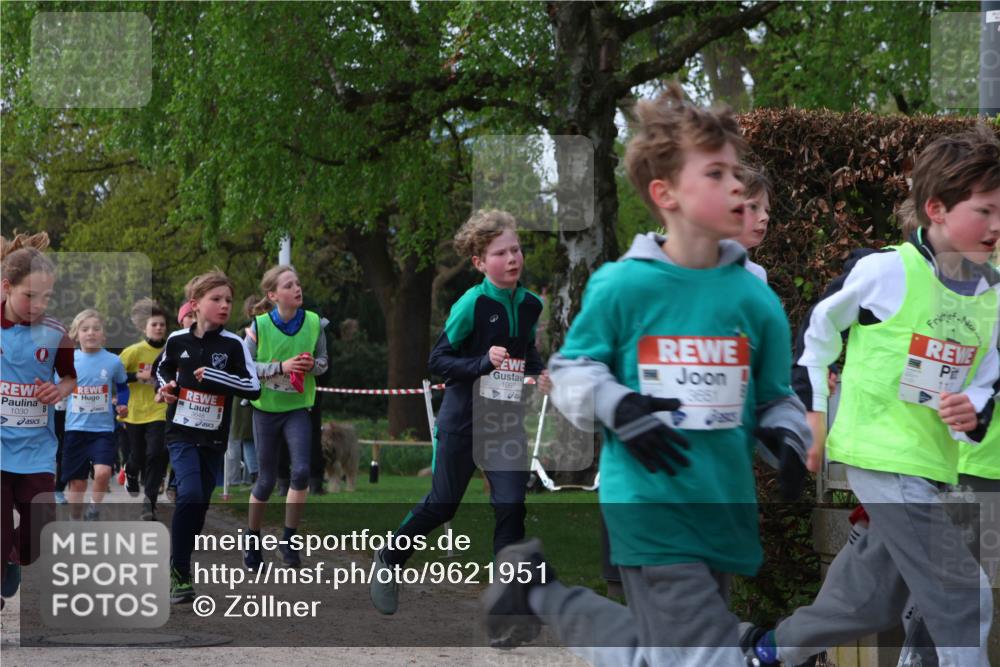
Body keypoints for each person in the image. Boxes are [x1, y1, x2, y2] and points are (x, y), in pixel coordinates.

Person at [480, 83, 811, 665]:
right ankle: (540, 592)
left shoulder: (756, 301)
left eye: (736, 172)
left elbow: (774, 397)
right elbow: (573, 370)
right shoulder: (624, 285)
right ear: (666, 194)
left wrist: (785, 436)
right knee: (704, 657)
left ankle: (539, 591)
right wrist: (619, 405)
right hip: (649, 505)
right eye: (715, 174)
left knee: (659, 656)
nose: (737, 186)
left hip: (722, 508)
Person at [745, 127, 1000, 667]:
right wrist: (810, 414)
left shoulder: (994, 296)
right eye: (985, 211)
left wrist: (973, 409)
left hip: (933, 464)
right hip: (880, 460)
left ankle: (764, 654)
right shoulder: (884, 271)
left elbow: (988, 379)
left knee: (868, 602)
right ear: (936, 209)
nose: (997, 226)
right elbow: (816, 333)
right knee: (961, 594)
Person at [369, 208, 552, 617]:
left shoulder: (531, 305)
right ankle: (389, 559)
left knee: (511, 505)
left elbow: (526, 349)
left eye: (516, 250)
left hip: (504, 423)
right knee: (443, 504)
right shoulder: (471, 303)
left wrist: (540, 373)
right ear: (479, 262)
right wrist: (482, 362)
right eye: (501, 253)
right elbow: (438, 360)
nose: (512, 259)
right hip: (462, 420)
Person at [155, 270, 260, 603]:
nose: (224, 305)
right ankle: (180, 571)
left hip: (214, 438)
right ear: (195, 304)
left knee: (199, 505)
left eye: (228, 300)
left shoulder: (234, 345)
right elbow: (163, 369)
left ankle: (181, 559)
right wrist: (166, 388)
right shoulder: (176, 340)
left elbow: (252, 387)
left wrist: (216, 376)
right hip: (181, 432)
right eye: (216, 299)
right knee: (190, 493)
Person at [0, 232, 77, 610]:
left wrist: (59, 391)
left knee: (40, 531)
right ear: (6, 287)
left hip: (35, 449)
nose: (37, 305)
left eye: (45, 297)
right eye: (29, 296)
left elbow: (69, 377)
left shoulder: (56, 333)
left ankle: (14, 559)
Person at [241, 266, 329, 569]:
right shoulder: (259, 326)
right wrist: (281, 367)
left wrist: (309, 365)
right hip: (266, 409)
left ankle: (289, 540)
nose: (297, 289)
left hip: (297, 407)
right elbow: (247, 366)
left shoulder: (315, 322)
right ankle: (252, 540)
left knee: (302, 471)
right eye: (289, 285)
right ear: (273, 295)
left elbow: (323, 364)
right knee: (265, 480)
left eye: (298, 283)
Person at [62, 309, 129, 521]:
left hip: (103, 430)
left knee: (102, 473)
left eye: (96, 329)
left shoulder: (112, 361)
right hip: (75, 429)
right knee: (78, 483)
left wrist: (123, 404)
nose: (91, 333)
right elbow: (58, 386)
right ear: (76, 334)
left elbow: (123, 386)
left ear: (103, 335)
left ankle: (94, 508)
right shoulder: (68, 359)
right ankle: (75, 519)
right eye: (85, 329)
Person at [119, 298, 169, 520]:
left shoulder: (171, 350)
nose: (159, 328)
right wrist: (137, 376)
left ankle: (149, 504)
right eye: (154, 324)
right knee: (137, 456)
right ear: (144, 328)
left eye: (162, 324)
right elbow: (115, 376)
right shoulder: (133, 352)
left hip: (160, 410)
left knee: (156, 454)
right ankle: (130, 471)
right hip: (135, 412)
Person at [735, 165, 773, 284]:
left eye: (767, 210)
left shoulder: (756, 274)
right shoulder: (689, 265)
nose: (765, 217)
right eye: (753, 206)